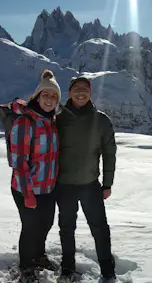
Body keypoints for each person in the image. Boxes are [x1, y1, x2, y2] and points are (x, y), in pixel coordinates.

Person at [56, 76, 117, 283]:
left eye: (85, 89)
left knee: (100, 229)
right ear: (69, 92)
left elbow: (110, 154)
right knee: (66, 228)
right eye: (76, 89)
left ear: (90, 93)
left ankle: (108, 271)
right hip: (63, 185)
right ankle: (67, 268)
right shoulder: (59, 119)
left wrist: (107, 184)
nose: (81, 93)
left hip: (90, 185)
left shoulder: (101, 120)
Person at [9, 69, 61, 282]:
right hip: (25, 188)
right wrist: (28, 193)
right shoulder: (25, 122)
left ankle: (39, 256)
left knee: (46, 223)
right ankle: (26, 266)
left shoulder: (52, 121)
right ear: (37, 96)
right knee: (30, 227)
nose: (49, 99)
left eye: (53, 96)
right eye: (45, 94)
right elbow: (19, 161)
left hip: (47, 188)